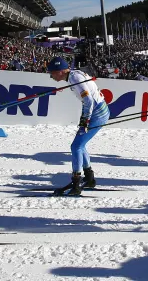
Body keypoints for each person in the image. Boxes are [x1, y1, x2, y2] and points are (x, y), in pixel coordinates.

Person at [48, 56, 109, 195]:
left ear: (60, 71)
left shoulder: (75, 78)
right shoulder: (72, 76)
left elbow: (88, 101)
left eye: (52, 72)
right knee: (80, 145)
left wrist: (84, 121)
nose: (51, 76)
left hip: (97, 114)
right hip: (98, 111)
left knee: (76, 146)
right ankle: (89, 178)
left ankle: (76, 184)